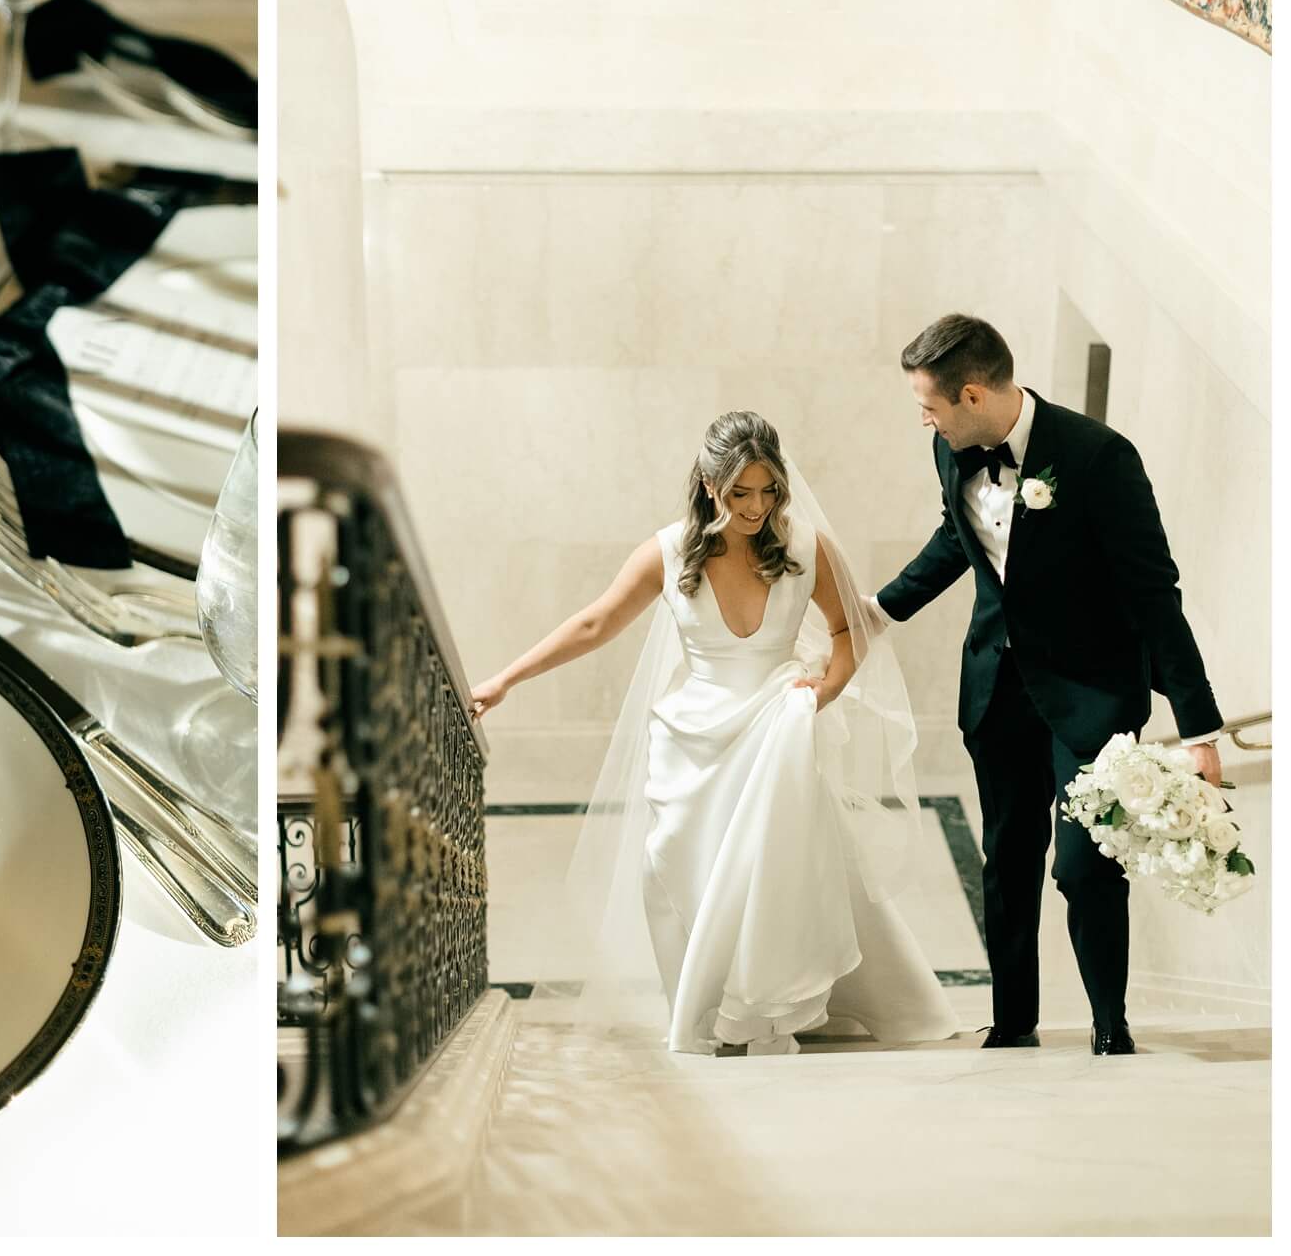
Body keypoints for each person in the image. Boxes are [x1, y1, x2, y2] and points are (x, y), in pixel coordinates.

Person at [472, 411, 957, 1055]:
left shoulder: (806, 547)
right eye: (740, 493)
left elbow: (850, 631)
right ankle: (706, 1009)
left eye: (768, 491)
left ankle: (777, 1001)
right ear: (708, 484)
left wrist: (826, 691)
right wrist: (505, 680)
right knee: (675, 862)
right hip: (693, 737)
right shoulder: (669, 551)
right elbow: (594, 624)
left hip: (776, 729)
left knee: (781, 869)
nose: (757, 508)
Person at [869, 314, 1223, 1056]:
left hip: (1091, 694)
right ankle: (1013, 1020)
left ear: (971, 394)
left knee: (1085, 860)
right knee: (1008, 856)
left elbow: (1156, 594)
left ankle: (1109, 1024)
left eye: (928, 406)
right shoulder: (952, 448)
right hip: (997, 688)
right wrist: (880, 609)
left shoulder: (1099, 458)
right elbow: (956, 535)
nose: (923, 422)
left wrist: (1199, 726)